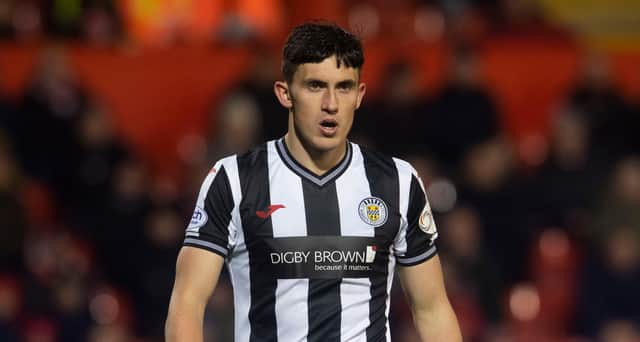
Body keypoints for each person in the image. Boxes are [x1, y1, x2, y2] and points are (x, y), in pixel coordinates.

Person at [166, 21, 462, 341]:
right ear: (285, 93)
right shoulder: (234, 180)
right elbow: (188, 303)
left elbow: (432, 309)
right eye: (316, 86)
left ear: (359, 95)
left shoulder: (398, 182)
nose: (331, 104)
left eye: (344, 87)